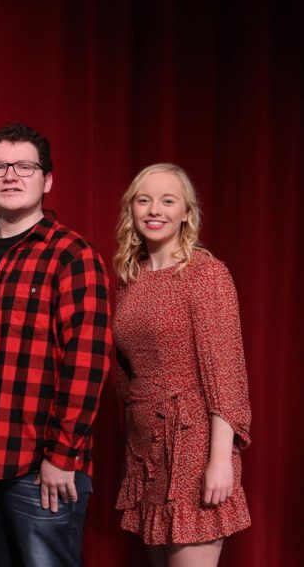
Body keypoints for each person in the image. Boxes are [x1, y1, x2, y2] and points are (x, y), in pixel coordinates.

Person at [0, 123, 112, 566]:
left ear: (47, 180)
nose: (10, 175)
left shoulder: (72, 255)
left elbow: (87, 365)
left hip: (38, 466)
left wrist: (63, 456)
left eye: (24, 166)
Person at [112, 163, 251, 566]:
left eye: (168, 200)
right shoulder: (130, 278)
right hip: (146, 451)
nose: (155, 210)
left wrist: (220, 461)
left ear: (186, 213)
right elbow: (126, 371)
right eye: (144, 200)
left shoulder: (206, 274)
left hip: (192, 445)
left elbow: (225, 371)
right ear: (132, 211)